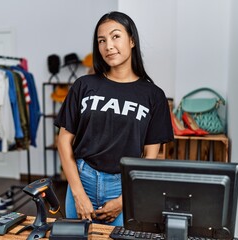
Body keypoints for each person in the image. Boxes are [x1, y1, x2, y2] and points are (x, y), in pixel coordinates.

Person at [54, 11, 174, 226]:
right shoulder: (84, 85)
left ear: (132, 40)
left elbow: (151, 157)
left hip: (124, 186)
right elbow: (63, 140)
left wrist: (124, 199)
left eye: (115, 36)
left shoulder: (153, 95)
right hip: (82, 181)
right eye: (102, 40)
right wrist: (78, 194)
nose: (108, 45)